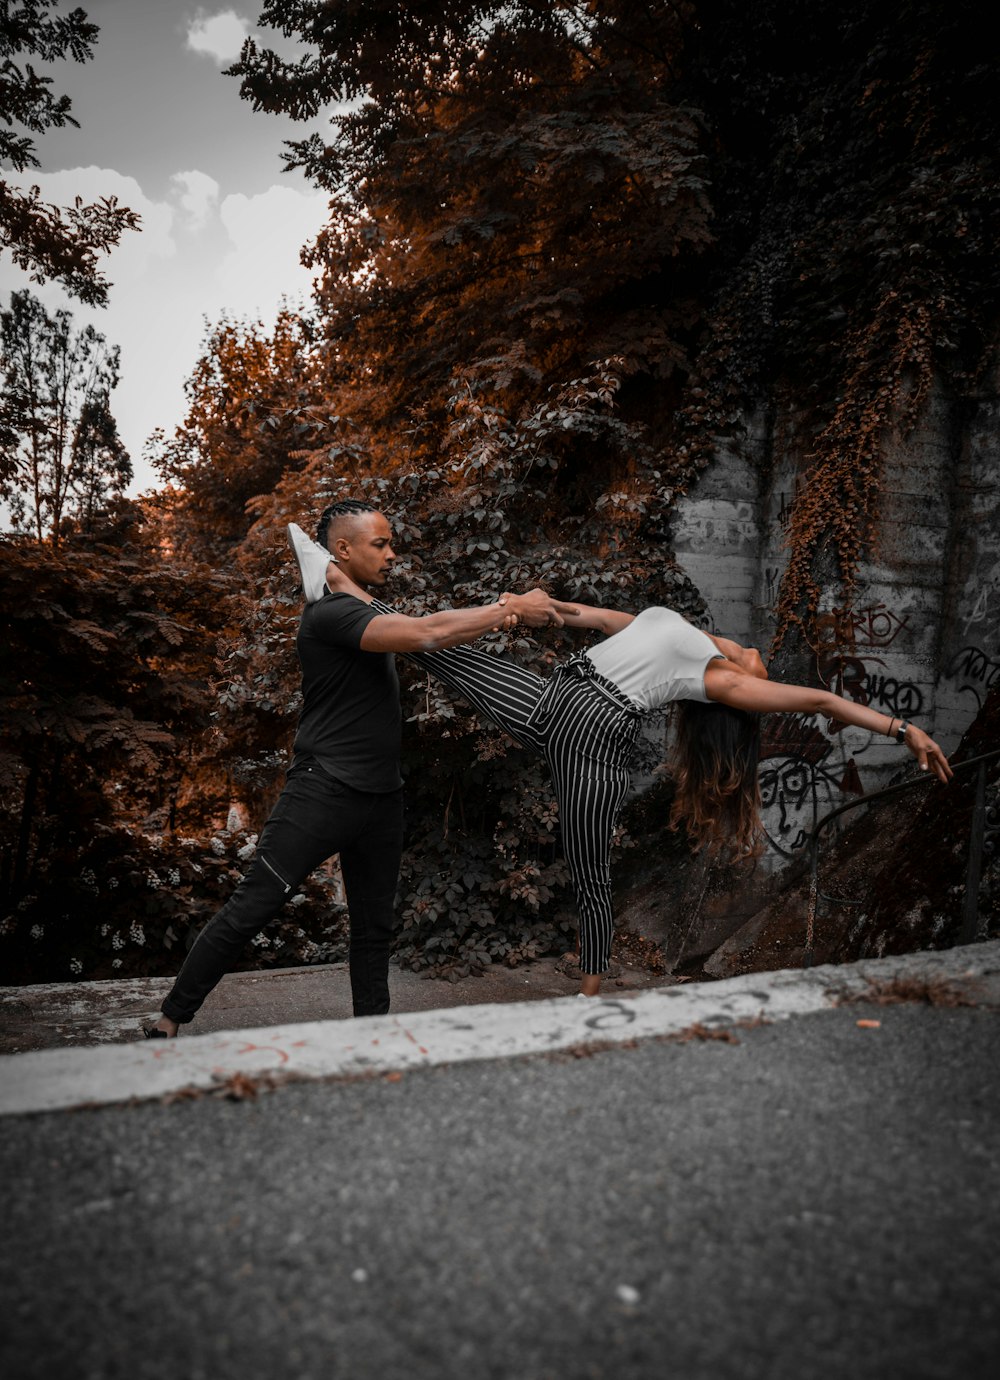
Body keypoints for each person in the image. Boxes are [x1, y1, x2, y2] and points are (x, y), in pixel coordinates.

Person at [315, 544, 953, 997]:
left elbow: (818, 701)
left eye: (764, 676)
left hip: (594, 731)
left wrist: (902, 729)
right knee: (446, 653)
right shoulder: (671, 625)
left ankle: (589, 994)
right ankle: (350, 596)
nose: (763, 664)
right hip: (556, 697)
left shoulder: (720, 680)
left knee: (589, 867)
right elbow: (581, 617)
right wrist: (527, 605)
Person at [143, 500, 561, 1037]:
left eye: (390, 542)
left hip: (382, 797)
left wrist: (335, 573)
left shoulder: (361, 605)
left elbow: (406, 622)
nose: (392, 553)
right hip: (323, 791)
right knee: (253, 907)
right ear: (342, 550)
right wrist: (509, 608)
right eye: (380, 544)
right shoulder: (332, 616)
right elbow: (424, 633)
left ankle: (372, 1037)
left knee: (373, 930)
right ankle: (171, 1018)